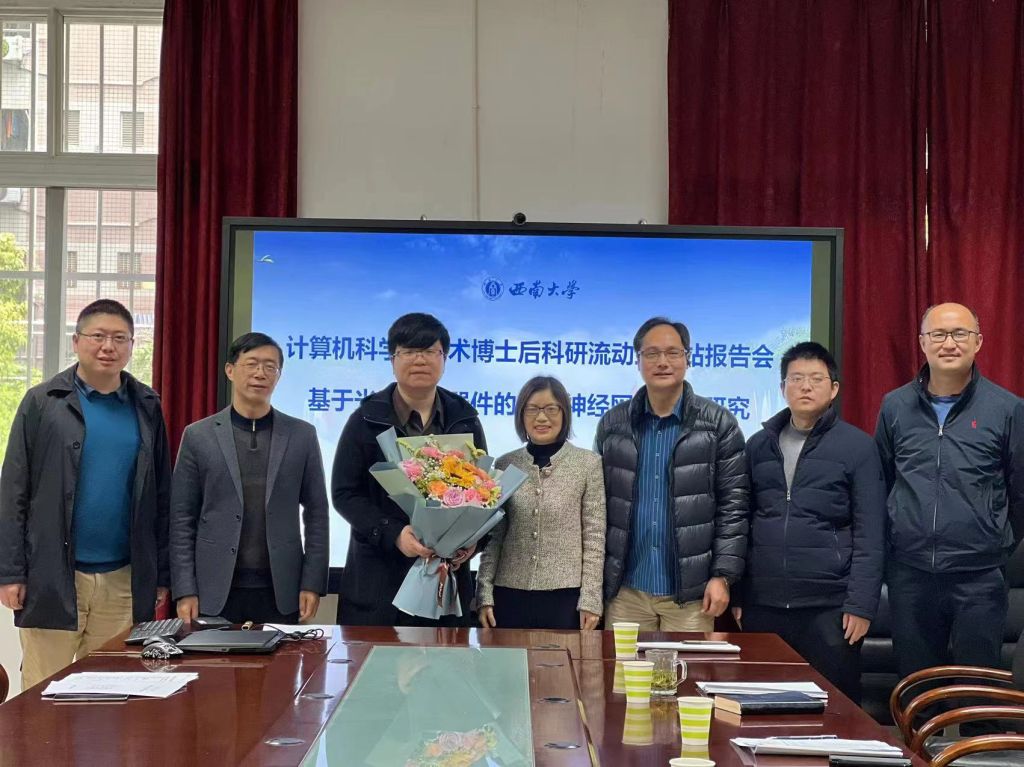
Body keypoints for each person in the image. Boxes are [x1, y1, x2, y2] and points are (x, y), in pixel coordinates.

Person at [0, 299, 171, 690]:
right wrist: (10, 572)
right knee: (44, 692)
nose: (108, 346)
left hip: (123, 579)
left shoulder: (146, 405)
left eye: (119, 338)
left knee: (111, 692)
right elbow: (13, 490)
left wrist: (160, 572)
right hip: (54, 575)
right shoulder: (43, 402)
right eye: (98, 336)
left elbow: (161, 494)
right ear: (76, 342)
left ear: (131, 346)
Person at [876, 303, 1024, 688]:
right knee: (916, 689)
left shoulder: (1007, 408)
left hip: (979, 576)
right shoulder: (895, 406)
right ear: (922, 343)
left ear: (978, 342)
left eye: (960, 333)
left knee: (977, 691)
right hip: (910, 572)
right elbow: (883, 481)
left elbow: (1019, 492)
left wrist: (994, 540)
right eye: (938, 334)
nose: (949, 343)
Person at [734, 341, 885, 703]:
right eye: (796, 378)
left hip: (829, 608)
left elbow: (872, 532)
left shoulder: (858, 447)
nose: (805, 386)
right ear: (782, 387)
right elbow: (740, 522)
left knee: (834, 709)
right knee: (762, 706)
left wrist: (861, 605)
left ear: (833, 389)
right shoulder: (758, 446)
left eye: (816, 379)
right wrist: (739, 594)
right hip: (763, 605)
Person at [595, 316, 749, 631]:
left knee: (686, 666)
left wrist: (722, 576)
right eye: (652, 353)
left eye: (673, 352)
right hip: (626, 592)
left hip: (690, 595)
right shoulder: (612, 425)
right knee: (622, 666)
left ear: (687, 359)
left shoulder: (719, 424)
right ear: (638, 361)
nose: (662, 362)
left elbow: (734, 506)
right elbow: (596, 507)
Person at [332, 312, 486, 627]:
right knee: (376, 660)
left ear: (444, 358)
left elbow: (484, 491)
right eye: (409, 351)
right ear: (393, 359)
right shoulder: (366, 419)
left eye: (430, 351)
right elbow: (345, 493)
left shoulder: (465, 419)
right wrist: (393, 534)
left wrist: (472, 542)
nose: (420, 360)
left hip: (445, 580)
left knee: (446, 659)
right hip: (379, 579)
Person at [170, 332, 329, 625]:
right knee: (211, 658)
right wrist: (184, 589)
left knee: (282, 658)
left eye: (270, 366)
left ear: (279, 376)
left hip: (281, 589)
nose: (260, 373)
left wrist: (312, 583)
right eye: (252, 364)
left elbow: (317, 513)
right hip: (213, 589)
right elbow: (181, 517)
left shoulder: (302, 435)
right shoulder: (198, 436)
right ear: (230, 370)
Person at [476, 376, 606, 630]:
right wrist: (484, 593)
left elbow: (594, 537)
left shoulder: (588, 464)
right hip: (508, 594)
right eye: (532, 409)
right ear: (521, 415)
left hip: (566, 597)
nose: (542, 418)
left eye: (551, 409)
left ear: (564, 413)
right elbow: (494, 536)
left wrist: (591, 599)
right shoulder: (505, 464)